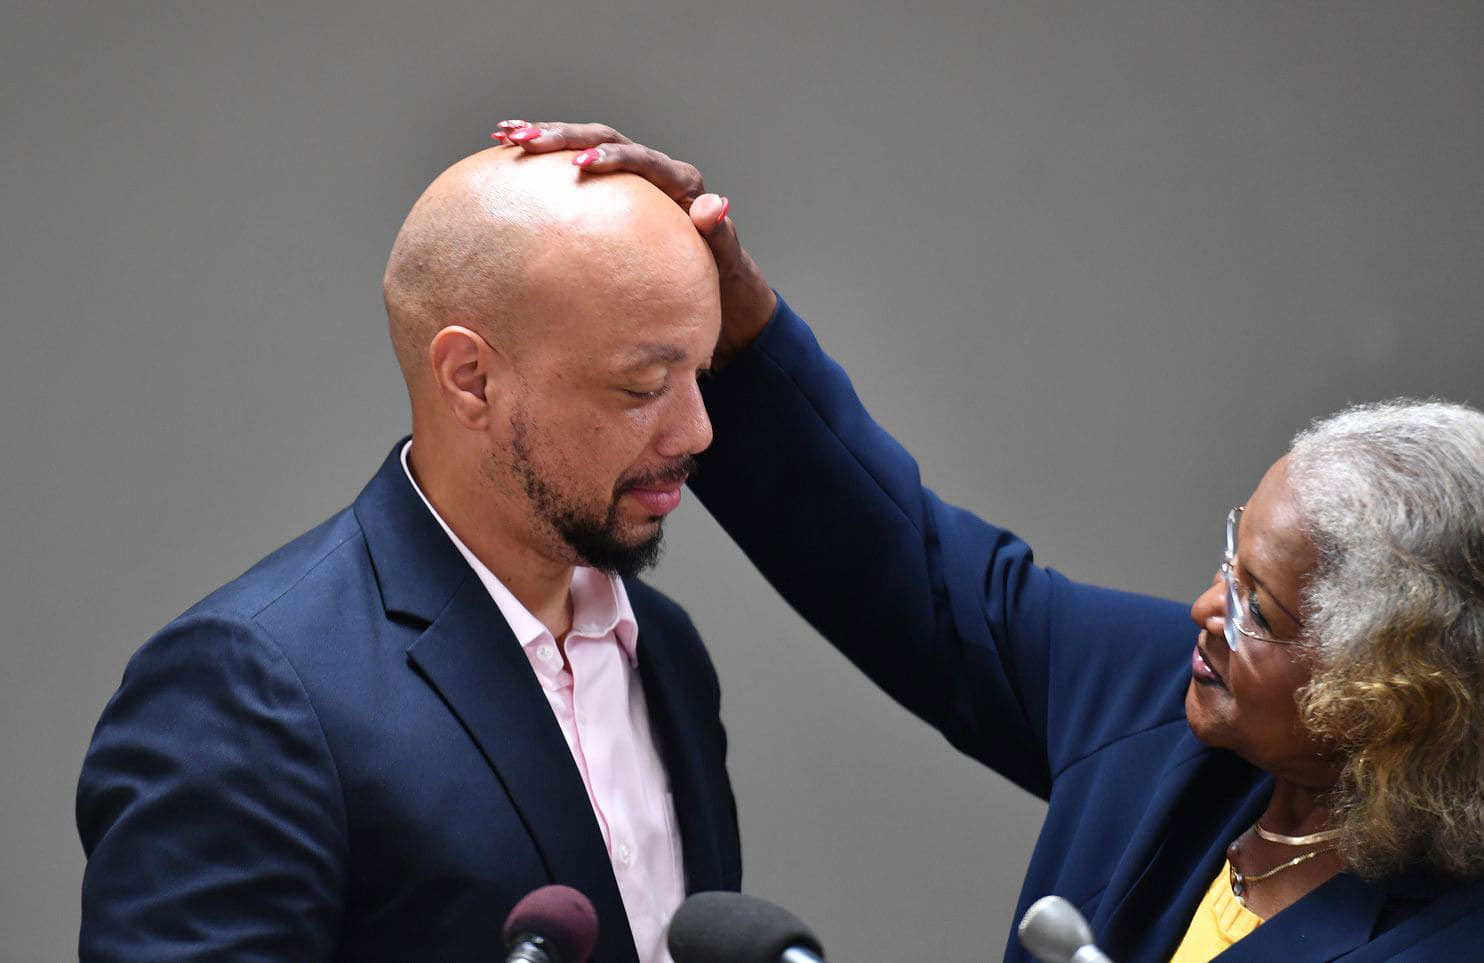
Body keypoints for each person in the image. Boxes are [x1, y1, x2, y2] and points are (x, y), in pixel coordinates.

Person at [499, 120, 1484, 960]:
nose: (1205, 609)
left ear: (1388, 699)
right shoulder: (1155, 690)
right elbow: (909, 574)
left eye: (1255, 609)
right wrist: (724, 304)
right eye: (1231, 555)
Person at [75, 146, 741, 963]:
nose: (698, 431)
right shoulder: (244, 693)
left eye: (702, 374)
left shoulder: (665, 649)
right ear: (472, 380)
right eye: (643, 386)